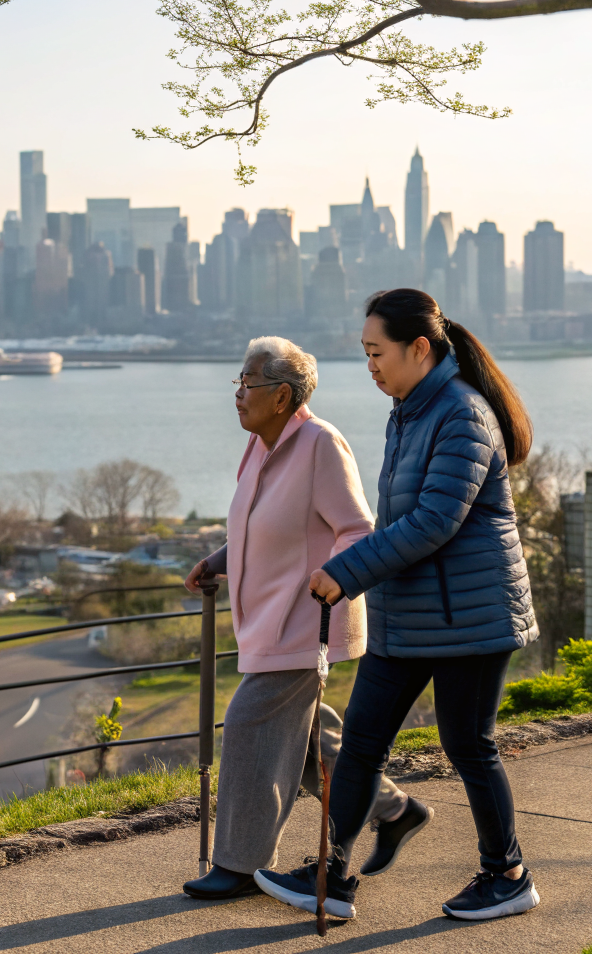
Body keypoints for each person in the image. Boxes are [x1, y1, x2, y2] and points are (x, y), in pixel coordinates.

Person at [253, 289, 541, 922]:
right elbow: (401, 519)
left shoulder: (463, 413)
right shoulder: (410, 410)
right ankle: (331, 873)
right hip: (409, 612)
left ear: (419, 348)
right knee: (360, 743)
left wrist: (346, 572)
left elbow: (436, 520)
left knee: (469, 746)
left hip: (469, 616)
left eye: (377, 352)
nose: (370, 366)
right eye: (364, 354)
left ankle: (509, 875)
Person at [181, 336, 425, 907]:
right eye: (237, 382)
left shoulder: (320, 444)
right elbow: (259, 526)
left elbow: (357, 529)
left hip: (304, 618)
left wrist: (331, 578)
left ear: (284, 396)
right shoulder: (260, 448)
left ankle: (240, 864)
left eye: (250, 383)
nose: (238, 394)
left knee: (249, 726)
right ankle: (396, 809)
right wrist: (219, 561)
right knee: (314, 740)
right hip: (267, 619)